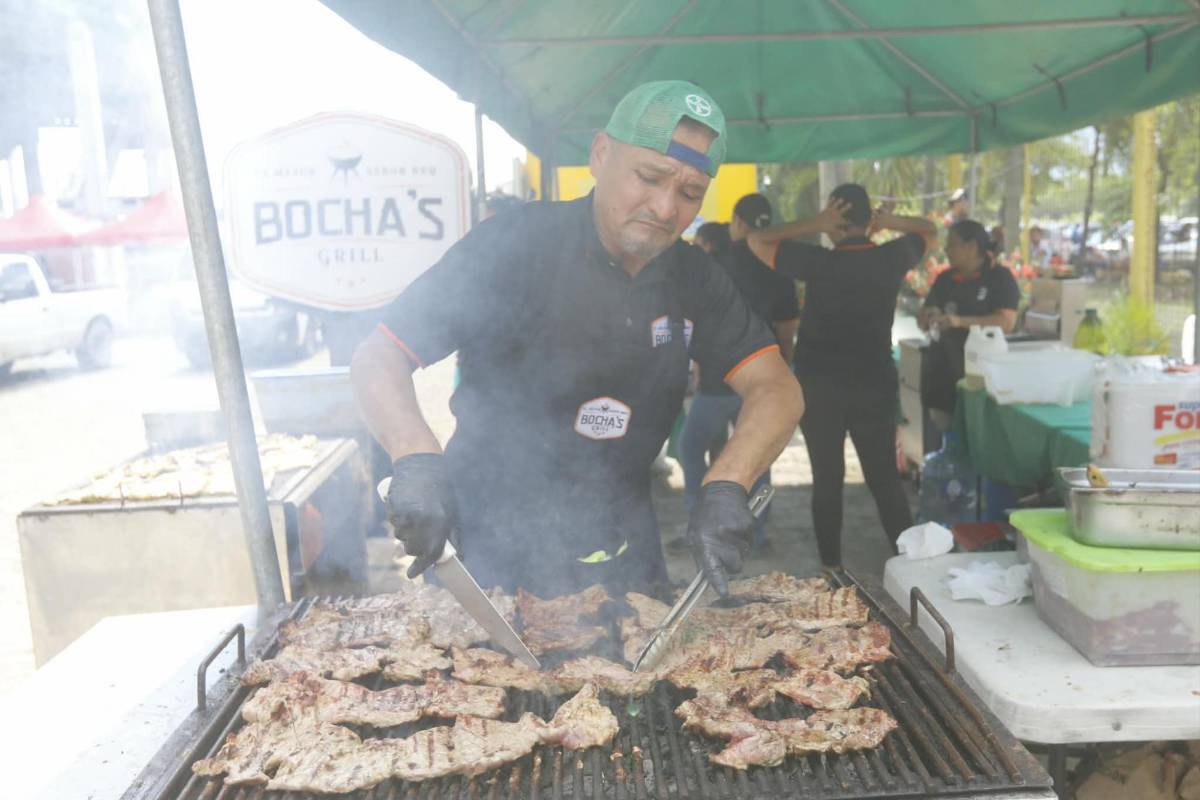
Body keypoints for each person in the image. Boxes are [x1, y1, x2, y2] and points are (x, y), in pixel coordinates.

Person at [351, 80, 804, 599]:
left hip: (624, 541)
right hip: (486, 539)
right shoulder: (514, 246)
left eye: (689, 193)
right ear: (601, 154)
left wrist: (728, 483)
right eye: (649, 176)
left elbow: (777, 386)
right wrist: (415, 457)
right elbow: (379, 355)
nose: (663, 208)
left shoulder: (695, 278)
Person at [746, 184, 937, 569]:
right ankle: (911, 567)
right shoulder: (890, 257)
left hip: (821, 388)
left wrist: (815, 223)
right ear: (869, 221)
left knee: (827, 481)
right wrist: (890, 221)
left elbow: (757, 239)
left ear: (834, 218)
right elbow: (930, 232)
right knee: (885, 480)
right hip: (874, 386)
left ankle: (831, 569)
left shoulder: (818, 262)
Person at [679, 194, 799, 550]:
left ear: (739, 223)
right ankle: (754, 534)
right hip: (764, 380)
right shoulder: (781, 272)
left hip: (719, 379)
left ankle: (699, 520)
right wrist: (781, 377)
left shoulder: (717, 264)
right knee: (757, 456)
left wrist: (698, 365)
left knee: (690, 447)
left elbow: (698, 321)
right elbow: (788, 331)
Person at [918, 219, 1020, 429]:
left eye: (951, 244)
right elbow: (923, 318)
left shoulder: (999, 278)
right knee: (941, 438)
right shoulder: (945, 278)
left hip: (981, 379)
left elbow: (1006, 322)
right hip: (942, 376)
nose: (946, 250)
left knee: (976, 438)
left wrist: (959, 322)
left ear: (971, 247)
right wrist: (929, 316)